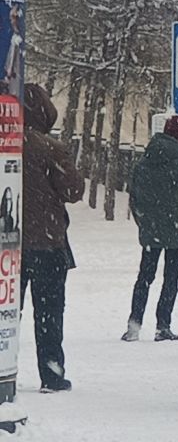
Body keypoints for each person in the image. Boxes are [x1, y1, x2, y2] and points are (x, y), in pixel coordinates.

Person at [22, 82, 83, 392]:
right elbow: (73, 191)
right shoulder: (49, 148)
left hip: (8, 244)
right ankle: (52, 372)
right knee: (48, 312)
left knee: (7, 310)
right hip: (47, 242)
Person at [122, 116, 178, 343]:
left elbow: (134, 197)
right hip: (176, 230)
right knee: (170, 278)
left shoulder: (143, 163)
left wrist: (143, 221)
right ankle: (163, 325)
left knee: (145, 276)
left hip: (150, 229)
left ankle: (134, 323)